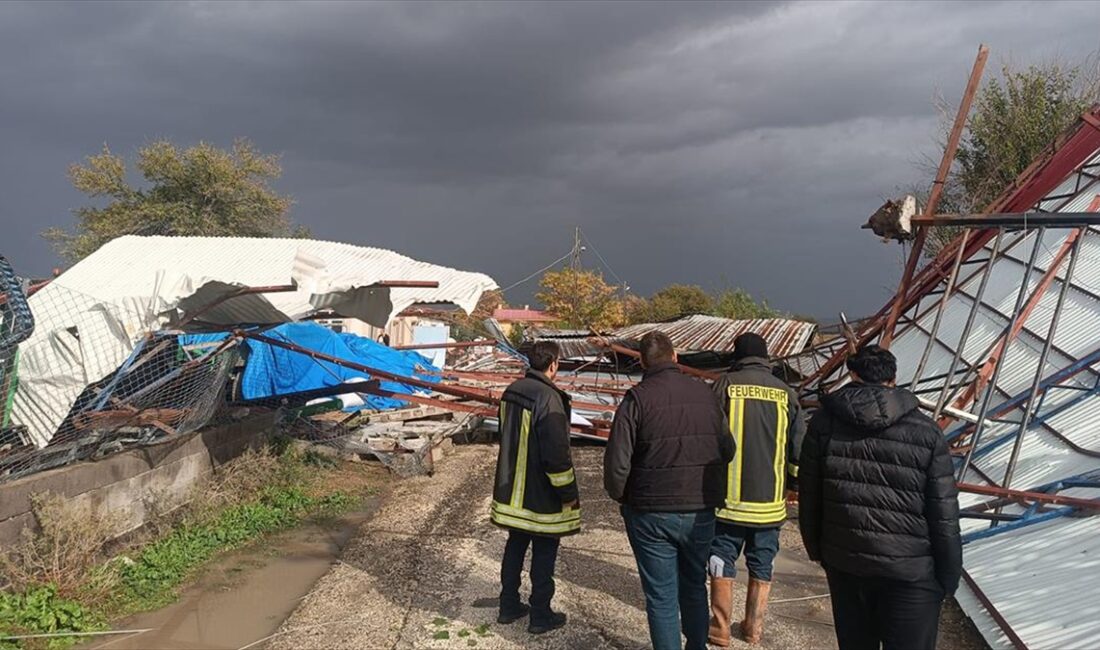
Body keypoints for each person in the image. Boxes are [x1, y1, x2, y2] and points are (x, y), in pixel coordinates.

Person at [798, 344, 962, 650]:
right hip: (910, 572)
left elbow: (810, 494)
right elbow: (943, 513)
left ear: (853, 374)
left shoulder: (824, 423)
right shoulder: (926, 430)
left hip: (846, 563)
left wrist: (819, 551)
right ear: (894, 378)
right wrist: (948, 576)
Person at [604, 332, 735, 650]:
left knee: (661, 597)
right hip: (700, 508)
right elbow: (728, 449)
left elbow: (617, 464)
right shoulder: (706, 394)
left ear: (642, 362)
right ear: (675, 357)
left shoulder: (636, 399)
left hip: (650, 511)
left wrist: (622, 496)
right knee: (694, 585)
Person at [707, 333, 805, 646]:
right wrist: (794, 485)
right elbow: (798, 450)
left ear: (738, 356)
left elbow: (709, 436)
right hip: (770, 504)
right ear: (765, 358)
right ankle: (753, 629)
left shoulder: (725, 385)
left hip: (728, 501)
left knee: (721, 556)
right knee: (762, 562)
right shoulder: (786, 393)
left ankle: (720, 628)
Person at [490, 340, 579, 635]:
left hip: (512, 492)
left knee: (515, 546)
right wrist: (568, 493)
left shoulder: (512, 391)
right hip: (541, 495)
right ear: (553, 364)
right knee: (544, 552)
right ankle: (540, 615)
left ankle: (508, 605)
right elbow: (556, 455)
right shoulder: (549, 398)